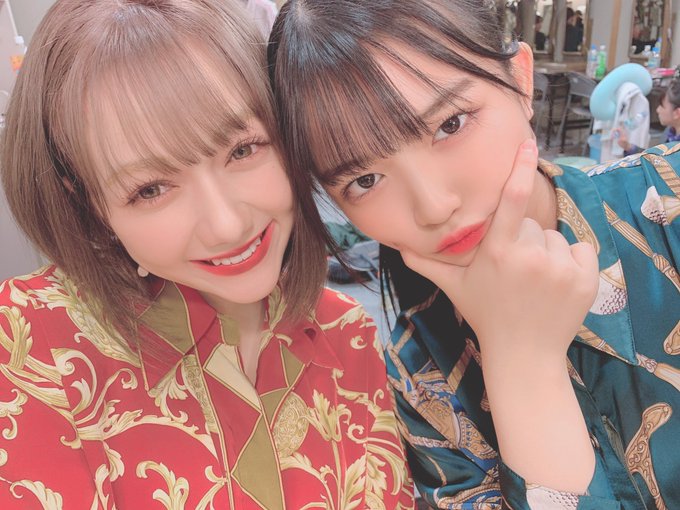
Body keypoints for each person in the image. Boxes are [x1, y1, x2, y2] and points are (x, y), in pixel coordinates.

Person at [0, 1, 414, 508]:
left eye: (243, 149)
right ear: (89, 205)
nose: (227, 225)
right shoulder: (28, 343)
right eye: (151, 189)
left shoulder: (346, 334)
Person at [268, 1, 680, 508]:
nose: (434, 206)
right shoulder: (421, 376)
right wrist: (522, 362)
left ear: (520, 80)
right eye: (366, 180)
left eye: (450, 124)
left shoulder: (668, 200)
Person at [617, 71, 680, 155]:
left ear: (677, 113)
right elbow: (656, 158)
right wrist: (628, 147)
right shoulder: (670, 132)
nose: (658, 110)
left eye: (662, 106)